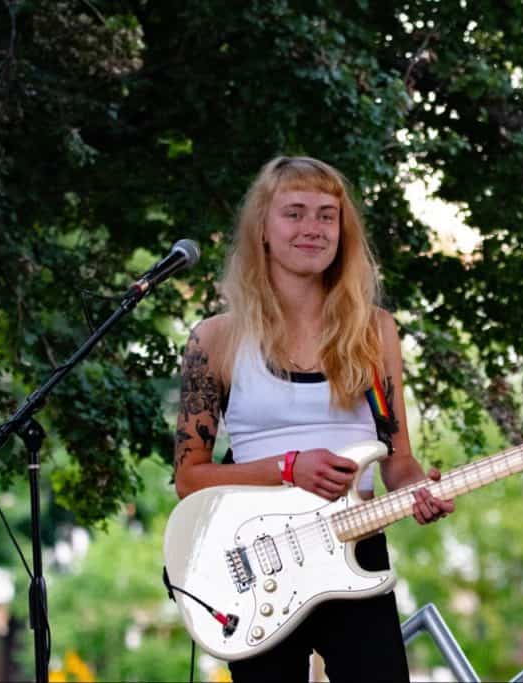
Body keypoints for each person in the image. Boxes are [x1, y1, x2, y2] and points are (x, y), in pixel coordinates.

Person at [172, 155, 455, 681]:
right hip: (255, 561)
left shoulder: (374, 332)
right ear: (262, 228)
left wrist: (419, 489)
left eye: (327, 215)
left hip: (355, 545)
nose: (313, 228)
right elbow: (189, 478)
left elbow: (399, 461)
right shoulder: (215, 340)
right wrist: (288, 468)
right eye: (295, 212)